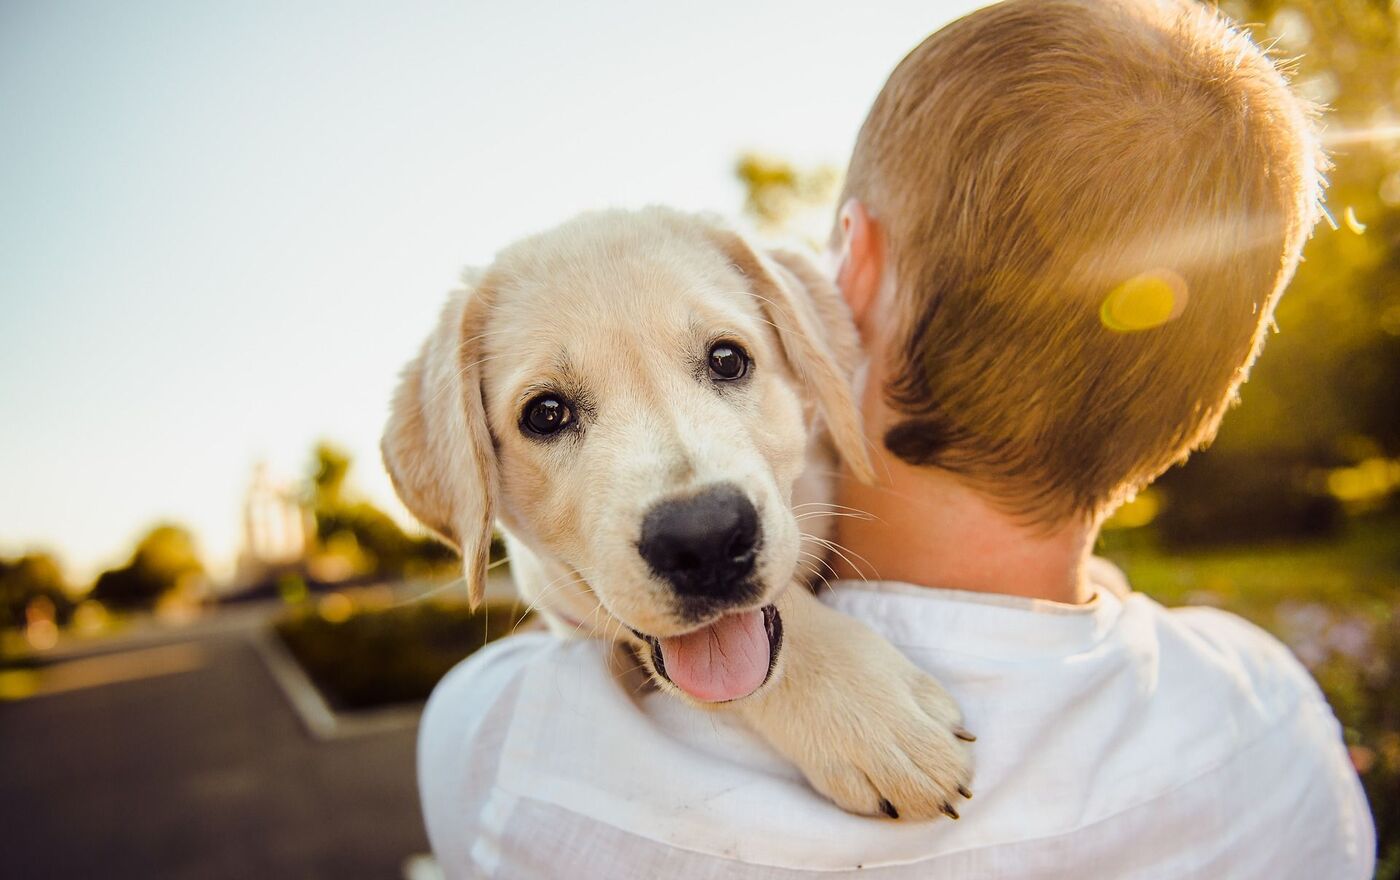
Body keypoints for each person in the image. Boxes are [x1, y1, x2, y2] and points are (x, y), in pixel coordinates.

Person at [417, 0, 1376, 876]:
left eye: (724, 360)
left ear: (850, 278)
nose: (692, 492)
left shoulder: (510, 748)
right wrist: (793, 666)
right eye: (550, 414)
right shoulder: (1277, 725)